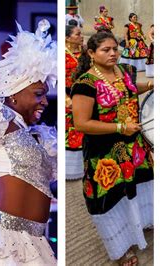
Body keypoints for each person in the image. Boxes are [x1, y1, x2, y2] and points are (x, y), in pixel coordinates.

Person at [0, 20, 57, 264]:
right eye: (38, 94)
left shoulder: (38, 136)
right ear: (13, 95)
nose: (45, 101)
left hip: (35, 244)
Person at [71, 31, 154, 266]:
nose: (112, 53)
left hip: (133, 145)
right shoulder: (85, 84)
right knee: (113, 197)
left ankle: (141, 225)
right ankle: (121, 248)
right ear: (91, 53)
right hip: (104, 153)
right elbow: (82, 123)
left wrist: (151, 85)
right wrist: (119, 127)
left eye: (115, 48)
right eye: (105, 50)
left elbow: (128, 88)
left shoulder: (124, 70)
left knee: (139, 184)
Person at [65, 25, 84, 180]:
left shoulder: (84, 53)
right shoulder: (63, 55)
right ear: (67, 38)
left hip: (84, 96)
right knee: (72, 133)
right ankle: (70, 170)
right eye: (78, 34)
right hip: (69, 98)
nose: (81, 36)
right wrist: (67, 99)